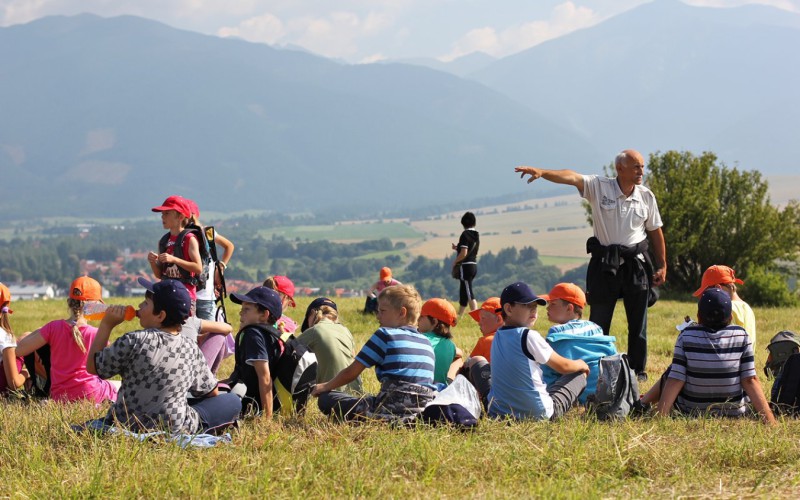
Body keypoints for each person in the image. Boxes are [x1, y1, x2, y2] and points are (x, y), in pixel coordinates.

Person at [516, 149, 666, 381]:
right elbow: (571, 176)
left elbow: (655, 231)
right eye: (636, 166)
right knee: (599, 321)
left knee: (638, 323)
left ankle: (638, 371)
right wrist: (543, 172)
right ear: (620, 168)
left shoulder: (646, 196)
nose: (641, 171)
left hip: (635, 264)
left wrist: (662, 264)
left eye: (642, 166)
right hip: (605, 264)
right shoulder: (600, 186)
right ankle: (596, 367)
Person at [86, 278, 241, 433]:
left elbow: (93, 367)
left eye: (146, 303)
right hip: (173, 426)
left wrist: (106, 325)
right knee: (233, 400)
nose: (139, 306)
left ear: (160, 315)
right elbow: (211, 392)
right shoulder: (191, 348)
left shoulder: (132, 340)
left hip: (124, 421)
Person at [637, 288, 775, 425]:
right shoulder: (742, 335)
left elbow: (676, 379)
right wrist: (770, 421)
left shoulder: (686, 336)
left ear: (698, 316)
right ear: (730, 317)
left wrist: (660, 417)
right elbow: (750, 380)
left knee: (674, 369)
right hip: (735, 411)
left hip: (692, 410)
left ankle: (642, 403)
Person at [466, 282, 589, 421]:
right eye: (527, 306)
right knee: (579, 374)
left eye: (535, 306)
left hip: (498, 411)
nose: (534, 311)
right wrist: (581, 364)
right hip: (538, 414)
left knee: (477, 361)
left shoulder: (498, 335)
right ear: (508, 309)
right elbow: (564, 366)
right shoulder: (528, 336)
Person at [311, 285, 436, 423]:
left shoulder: (385, 335)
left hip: (387, 411)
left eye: (382, 311)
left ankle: (373, 418)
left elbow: (351, 373)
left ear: (402, 312)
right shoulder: (426, 342)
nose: (377, 316)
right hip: (419, 415)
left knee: (326, 399)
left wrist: (325, 386)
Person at [14, 277, 119, 404]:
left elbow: (19, 350)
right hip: (91, 394)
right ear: (94, 306)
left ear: (69, 301)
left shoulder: (53, 328)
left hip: (59, 396)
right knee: (115, 386)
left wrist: (42, 330)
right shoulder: (96, 333)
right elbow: (110, 366)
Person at [538, 283, 617, 404]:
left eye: (553, 304)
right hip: (606, 393)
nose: (547, 308)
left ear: (569, 308)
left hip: (577, 396)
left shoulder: (557, 334)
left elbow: (547, 372)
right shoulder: (595, 328)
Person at [222, 286, 284, 417]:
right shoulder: (271, 333)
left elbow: (265, 377)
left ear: (264, 315)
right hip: (260, 400)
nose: (241, 313)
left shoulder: (253, 334)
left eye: (247, 309)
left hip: (249, 403)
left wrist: (267, 418)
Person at [296, 297, 363, 395]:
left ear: (312, 313)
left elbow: (287, 352)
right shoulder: (345, 331)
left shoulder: (314, 330)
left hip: (332, 394)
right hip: (357, 392)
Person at [149, 195, 203, 315]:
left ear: (180, 216)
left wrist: (174, 259)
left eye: (167, 213)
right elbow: (159, 274)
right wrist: (152, 262)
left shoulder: (189, 239)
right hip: (167, 296)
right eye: (162, 213)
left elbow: (198, 268)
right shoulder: (164, 241)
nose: (162, 216)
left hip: (186, 297)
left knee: (186, 327)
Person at [185, 199, 235, 321]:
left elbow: (229, 246)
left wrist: (220, 267)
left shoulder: (206, 232)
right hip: (201, 295)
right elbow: (229, 246)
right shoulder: (203, 232)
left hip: (201, 295)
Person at [693, 265, 756, 344]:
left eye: (706, 292)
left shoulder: (727, 309)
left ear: (718, 288)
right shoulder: (747, 307)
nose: (704, 296)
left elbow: (720, 342)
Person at [418, 298, 464, 385]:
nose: (418, 319)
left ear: (434, 322)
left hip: (418, 387)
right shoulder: (450, 345)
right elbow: (459, 353)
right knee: (458, 360)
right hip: (440, 390)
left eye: (422, 316)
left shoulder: (419, 339)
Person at [0, 284, 28, 393]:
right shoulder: (4, 337)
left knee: (25, 337)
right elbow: (13, 383)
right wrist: (26, 373)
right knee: (28, 338)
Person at [452, 212, 480, 315]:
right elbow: (469, 249)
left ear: (463, 223)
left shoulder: (464, 234)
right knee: (463, 290)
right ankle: (460, 315)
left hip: (466, 266)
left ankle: (476, 315)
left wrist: (455, 262)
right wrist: (457, 248)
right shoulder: (476, 235)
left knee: (468, 291)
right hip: (473, 265)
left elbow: (464, 253)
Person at [467, 297, 503, 363]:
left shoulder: (485, 341)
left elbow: (467, 365)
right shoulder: (517, 339)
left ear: (498, 319)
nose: (479, 323)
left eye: (483, 318)